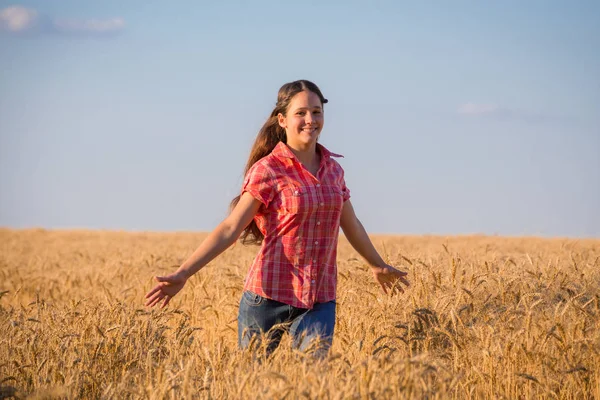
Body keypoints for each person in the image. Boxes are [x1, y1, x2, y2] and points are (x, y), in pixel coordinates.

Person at [144, 79, 410, 358]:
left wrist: (377, 265)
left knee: (313, 382)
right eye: (301, 113)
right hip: (267, 297)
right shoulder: (268, 169)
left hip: (319, 298)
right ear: (282, 119)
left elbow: (351, 224)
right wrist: (183, 272)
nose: (311, 120)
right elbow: (231, 227)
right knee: (253, 382)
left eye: (317, 112)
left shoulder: (334, 170)